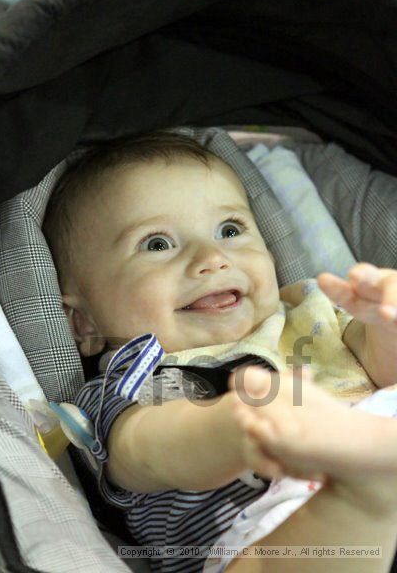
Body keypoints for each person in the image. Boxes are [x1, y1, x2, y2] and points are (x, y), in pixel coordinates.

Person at [43, 130, 397, 573]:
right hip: (270, 530)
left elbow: (385, 376)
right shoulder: (135, 374)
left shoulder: (310, 311)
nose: (212, 257)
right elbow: (140, 451)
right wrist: (229, 430)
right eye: (158, 244)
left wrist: (386, 325)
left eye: (230, 230)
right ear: (84, 323)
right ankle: (364, 490)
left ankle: (372, 479)